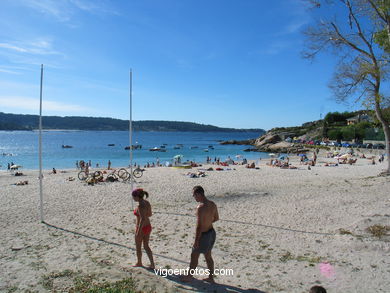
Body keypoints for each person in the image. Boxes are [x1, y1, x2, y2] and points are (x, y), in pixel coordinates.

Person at [182, 186, 219, 283]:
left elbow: (199, 226)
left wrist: (196, 241)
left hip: (204, 235)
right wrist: (208, 221)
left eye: (194, 195)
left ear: (199, 194)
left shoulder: (200, 207)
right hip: (211, 232)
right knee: (208, 256)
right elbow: (216, 218)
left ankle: (189, 276)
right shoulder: (212, 204)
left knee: (194, 255)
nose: (194, 197)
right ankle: (211, 278)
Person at [132, 188, 155, 269]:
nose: (133, 198)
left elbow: (142, 219)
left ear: (137, 197)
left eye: (133, 197)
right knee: (146, 246)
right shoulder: (147, 202)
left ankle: (139, 262)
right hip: (148, 226)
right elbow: (150, 214)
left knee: (138, 246)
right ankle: (152, 264)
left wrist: (138, 231)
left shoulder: (140, 206)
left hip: (141, 228)